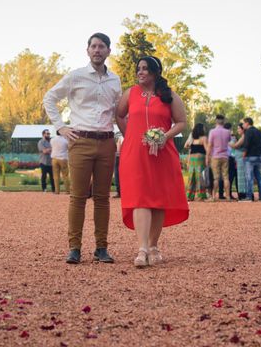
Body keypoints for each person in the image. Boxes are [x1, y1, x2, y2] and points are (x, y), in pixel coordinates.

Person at [43, 33, 122, 264]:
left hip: (107, 142)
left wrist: (119, 134)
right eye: (94, 46)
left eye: (102, 46)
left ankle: (101, 248)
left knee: (102, 197)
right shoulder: (76, 76)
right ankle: (74, 248)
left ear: (108, 51)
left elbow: (117, 112)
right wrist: (60, 127)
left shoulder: (115, 81)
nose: (97, 50)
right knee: (77, 197)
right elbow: (49, 98)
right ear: (87, 50)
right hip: (80, 141)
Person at [117, 56, 189, 267]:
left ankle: (153, 245)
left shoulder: (170, 96)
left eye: (145, 69)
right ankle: (141, 249)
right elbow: (119, 115)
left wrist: (165, 136)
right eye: (139, 68)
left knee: (157, 199)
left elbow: (182, 122)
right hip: (135, 153)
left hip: (162, 153)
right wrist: (129, 135)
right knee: (139, 197)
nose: (141, 72)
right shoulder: (130, 93)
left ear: (156, 72)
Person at [207, 114, 233, 201]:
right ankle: (228, 196)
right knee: (226, 177)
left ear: (216, 121)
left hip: (215, 156)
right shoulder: (227, 132)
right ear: (224, 121)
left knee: (216, 178)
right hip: (225, 156)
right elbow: (229, 141)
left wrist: (207, 156)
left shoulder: (212, 132)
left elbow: (210, 145)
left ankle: (214, 196)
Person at [241, 117, 261, 201]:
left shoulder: (248, 132)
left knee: (249, 177)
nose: (243, 125)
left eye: (243, 123)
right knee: (259, 177)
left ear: (247, 123)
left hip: (249, 157)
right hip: (259, 157)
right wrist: (259, 153)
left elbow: (246, 145)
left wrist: (243, 155)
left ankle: (249, 197)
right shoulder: (259, 132)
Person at [185, 123, 208, 201]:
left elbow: (188, 148)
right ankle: (201, 196)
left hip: (192, 158)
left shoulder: (193, 139)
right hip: (200, 158)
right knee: (200, 177)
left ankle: (189, 196)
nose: (205, 129)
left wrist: (187, 161)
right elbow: (207, 149)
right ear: (201, 129)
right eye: (204, 128)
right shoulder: (204, 138)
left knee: (191, 177)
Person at [230, 123, 249, 201]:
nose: (237, 130)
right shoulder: (242, 137)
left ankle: (243, 195)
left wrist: (228, 140)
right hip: (239, 159)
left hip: (241, 159)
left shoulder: (244, 136)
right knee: (241, 177)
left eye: (239, 128)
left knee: (242, 177)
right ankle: (243, 195)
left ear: (243, 129)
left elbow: (235, 146)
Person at [112, 133, 123, 198]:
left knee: (117, 174)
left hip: (119, 156)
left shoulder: (121, 137)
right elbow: (118, 148)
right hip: (119, 156)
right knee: (117, 174)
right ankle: (119, 191)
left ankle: (119, 192)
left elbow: (118, 148)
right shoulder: (121, 137)